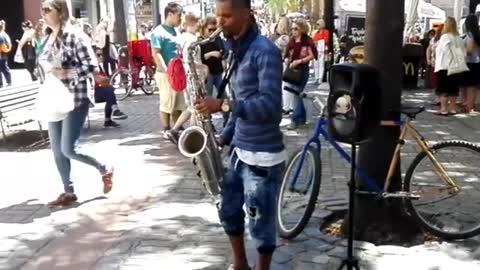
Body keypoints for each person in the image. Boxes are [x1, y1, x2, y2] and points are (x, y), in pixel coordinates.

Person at [194, 0, 286, 269]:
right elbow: (241, 99)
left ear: (246, 15)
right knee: (229, 211)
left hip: (262, 157)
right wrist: (222, 137)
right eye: (217, 15)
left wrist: (222, 105)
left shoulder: (264, 52)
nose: (219, 21)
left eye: (226, 16)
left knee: (261, 224)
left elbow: (270, 107)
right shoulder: (235, 49)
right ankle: (240, 264)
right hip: (239, 151)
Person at [38, 0, 114, 208]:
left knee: (68, 149)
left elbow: (90, 64)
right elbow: (44, 64)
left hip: (74, 98)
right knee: (56, 150)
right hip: (54, 99)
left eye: (47, 10)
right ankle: (67, 191)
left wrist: (68, 74)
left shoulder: (74, 35)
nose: (43, 13)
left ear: (61, 12)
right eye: (42, 9)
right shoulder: (47, 37)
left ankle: (104, 168)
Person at [151, 2, 186, 139]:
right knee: (166, 101)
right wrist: (167, 72)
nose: (180, 19)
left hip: (177, 72)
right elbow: (156, 53)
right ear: (170, 14)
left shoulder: (176, 32)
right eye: (178, 15)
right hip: (165, 72)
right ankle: (166, 127)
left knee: (177, 101)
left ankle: (177, 126)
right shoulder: (158, 32)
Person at [165, 13, 202, 144]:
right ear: (191, 24)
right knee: (196, 107)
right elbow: (191, 60)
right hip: (192, 75)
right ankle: (191, 137)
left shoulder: (180, 38)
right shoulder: (192, 39)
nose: (198, 26)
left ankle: (174, 130)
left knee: (190, 106)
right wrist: (203, 67)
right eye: (197, 23)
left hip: (183, 75)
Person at [286, 19, 318, 130]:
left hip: (302, 70)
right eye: (292, 29)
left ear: (302, 29)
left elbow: (313, 55)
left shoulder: (307, 41)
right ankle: (302, 118)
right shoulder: (292, 41)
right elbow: (287, 53)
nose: (293, 31)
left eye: (296, 29)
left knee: (296, 93)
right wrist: (287, 60)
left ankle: (294, 119)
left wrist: (300, 61)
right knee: (296, 94)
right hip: (292, 70)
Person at [434, 17, 466, 116]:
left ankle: (443, 108)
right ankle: (452, 108)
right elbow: (463, 53)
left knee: (443, 88)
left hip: (444, 66)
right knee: (453, 88)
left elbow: (445, 50)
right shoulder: (459, 38)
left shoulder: (445, 37)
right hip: (457, 66)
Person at [93, 48, 128, 127]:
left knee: (109, 91)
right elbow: (100, 80)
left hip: (100, 91)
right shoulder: (93, 67)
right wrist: (107, 80)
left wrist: (109, 78)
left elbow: (105, 81)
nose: (101, 57)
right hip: (93, 93)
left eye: (102, 55)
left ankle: (108, 120)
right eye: (98, 55)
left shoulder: (99, 67)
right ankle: (115, 110)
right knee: (109, 90)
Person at [460, 14, 480, 113]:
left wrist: (460, 51)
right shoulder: (477, 34)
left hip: (470, 62)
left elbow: (470, 50)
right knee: (471, 86)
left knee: (469, 85)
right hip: (476, 62)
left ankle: (469, 105)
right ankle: (469, 104)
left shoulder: (470, 34)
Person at [312, 19, 329, 84]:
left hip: (322, 50)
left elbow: (326, 40)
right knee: (315, 64)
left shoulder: (326, 32)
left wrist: (317, 42)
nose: (317, 26)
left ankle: (320, 78)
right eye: (317, 24)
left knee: (321, 64)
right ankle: (316, 77)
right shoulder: (316, 32)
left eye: (318, 24)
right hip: (316, 50)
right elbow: (313, 39)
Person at [0, 20, 12, 88]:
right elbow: (7, 45)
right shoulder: (4, 34)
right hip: (3, 54)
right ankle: (9, 81)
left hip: (1, 54)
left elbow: (3, 45)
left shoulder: (1, 35)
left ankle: (1, 83)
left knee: (4, 68)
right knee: (5, 68)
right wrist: (7, 50)